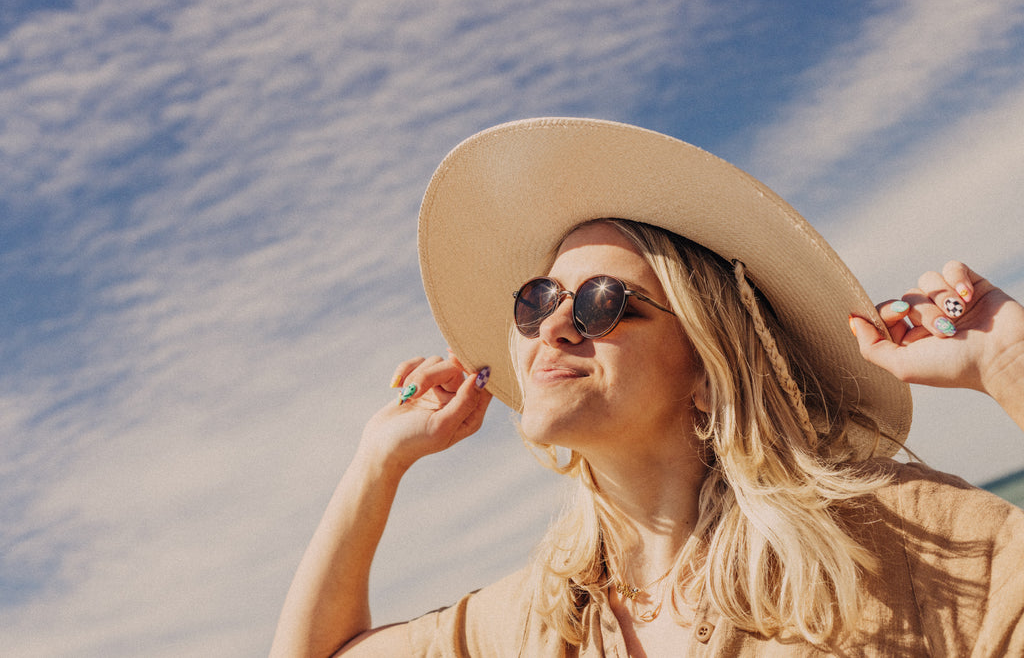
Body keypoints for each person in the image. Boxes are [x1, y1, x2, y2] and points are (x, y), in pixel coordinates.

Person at [271, 118, 1024, 657]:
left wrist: (1010, 366)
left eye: (603, 302)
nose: (555, 326)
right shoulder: (542, 620)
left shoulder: (895, 543)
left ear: (706, 365)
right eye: (536, 299)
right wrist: (378, 461)